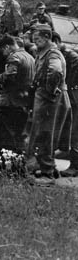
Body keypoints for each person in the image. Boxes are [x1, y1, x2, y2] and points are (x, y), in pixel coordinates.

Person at [27, 24, 70, 185]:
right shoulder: (44, 52)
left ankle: (47, 173)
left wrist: (51, 91)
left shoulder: (52, 54)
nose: (35, 42)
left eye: (37, 39)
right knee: (44, 133)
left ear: (46, 38)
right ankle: (49, 167)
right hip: (47, 98)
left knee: (46, 134)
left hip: (49, 99)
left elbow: (56, 72)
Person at [0, 35, 35, 152]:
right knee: (19, 134)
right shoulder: (30, 57)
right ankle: (20, 162)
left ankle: (8, 165)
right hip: (24, 101)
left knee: (4, 136)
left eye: (3, 51)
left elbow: (9, 76)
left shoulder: (14, 58)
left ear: (7, 47)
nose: (3, 54)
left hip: (10, 102)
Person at [53, 33, 78, 177]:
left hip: (75, 98)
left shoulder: (72, 57)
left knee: (75, 133)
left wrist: (68, 87)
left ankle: (75, 167)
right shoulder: (63, 55)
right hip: (71, 97)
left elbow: (70, 79)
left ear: (56, 41)